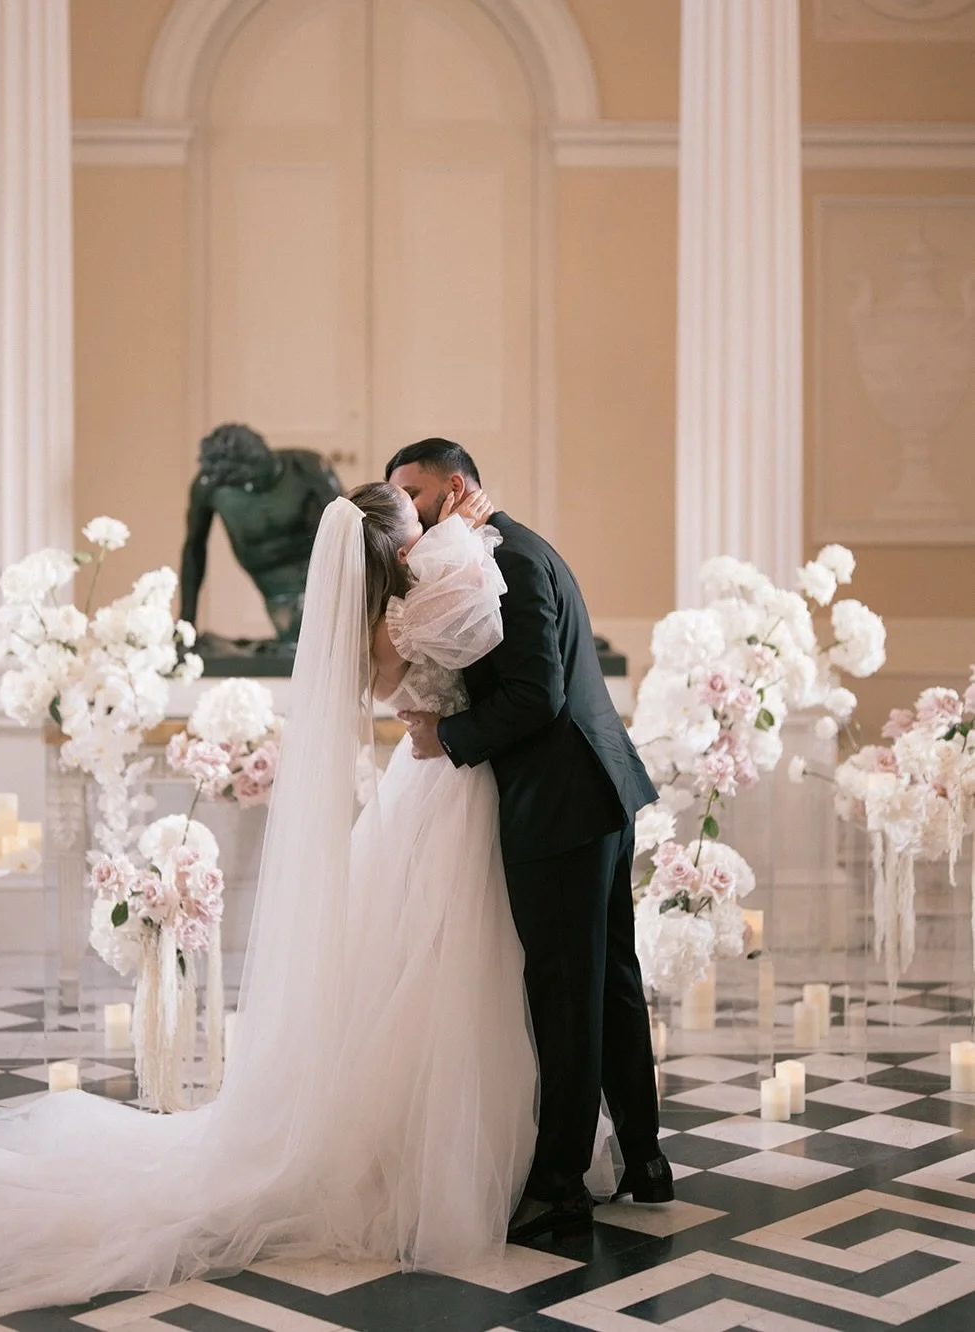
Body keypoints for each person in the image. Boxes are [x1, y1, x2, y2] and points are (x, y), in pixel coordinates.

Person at [0, 485, 537, 1318]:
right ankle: (431, 1160)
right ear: (394, 547)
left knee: (410, 971)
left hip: (426, 787)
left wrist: (445, 534)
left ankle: (430, 1147)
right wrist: (465, 529)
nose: (429, 535)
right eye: (415, 527)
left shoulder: (379, 624)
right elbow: (473, 621)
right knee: (437, 971)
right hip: (446, 795)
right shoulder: (414, 617)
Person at [386, 438, 672, 1242]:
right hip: (597, 789)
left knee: (566, 993)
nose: (404, 513)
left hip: (564, 801)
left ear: (455, 487)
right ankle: (644, 1163)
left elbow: (536, 695)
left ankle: (560, 1186)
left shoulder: (500, 556)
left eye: (412, 495)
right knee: (608, 983)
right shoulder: (503, 545)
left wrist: (449, 735)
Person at [178, 422, 341, 641]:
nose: (247, 488)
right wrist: (186, 624)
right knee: (295, 641)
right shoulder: (210, 486)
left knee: (318, 642)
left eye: (250, 481)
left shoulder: (307, 468)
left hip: (320, 577)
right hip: (275, 589)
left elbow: (350, 531)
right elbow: (194, 550)